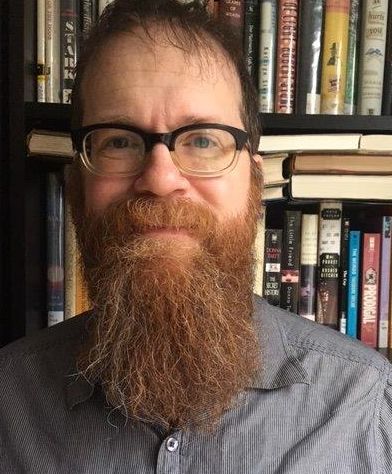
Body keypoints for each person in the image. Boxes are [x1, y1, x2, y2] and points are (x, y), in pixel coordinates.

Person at [1, 1, 392, 472]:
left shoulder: (370, 408)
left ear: (252, 183)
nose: (161, 178)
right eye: (119, 141)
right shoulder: (8, 402)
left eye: (203, 140)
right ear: (75, 186)